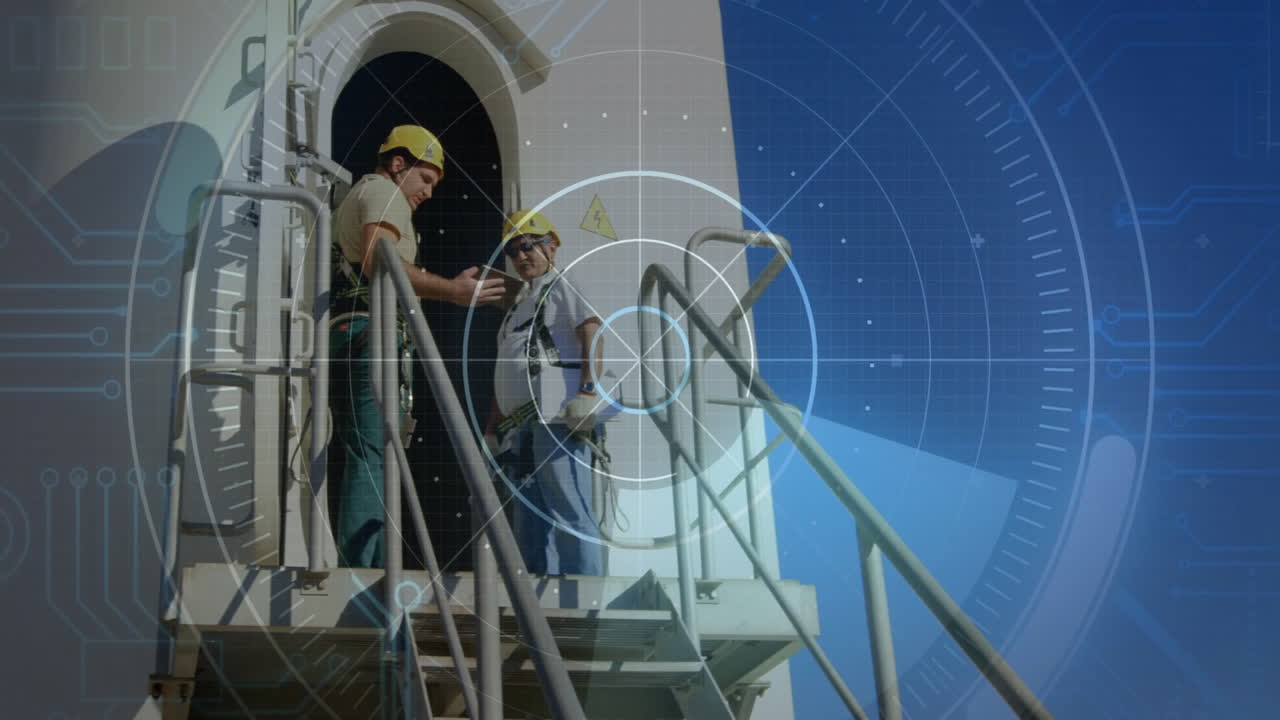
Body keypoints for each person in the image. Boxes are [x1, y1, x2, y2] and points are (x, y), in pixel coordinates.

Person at [329, 124, 504, 568]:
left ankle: (364, 558)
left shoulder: (367, 194)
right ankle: (366, 566)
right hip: (372, 332)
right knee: (373, 448)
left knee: (367, 447)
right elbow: (377, 259)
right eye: (425, 179)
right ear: (398, 163)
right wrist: (453, 290)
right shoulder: (383, 193)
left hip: (358, 330)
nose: (428, 192)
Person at [484, 210, 608, 576]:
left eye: (528, 246)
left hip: (557, 421)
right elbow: (503, 373)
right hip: (520, 430)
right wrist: (493, 430)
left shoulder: (565, 283)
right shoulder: (515, 311)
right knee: (530, 524)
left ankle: (585, 602)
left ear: (552, 245)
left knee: (570, 510)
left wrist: (588, 392)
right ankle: (542, 605)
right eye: (513, 251)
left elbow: (592, 333)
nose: (521, 256)